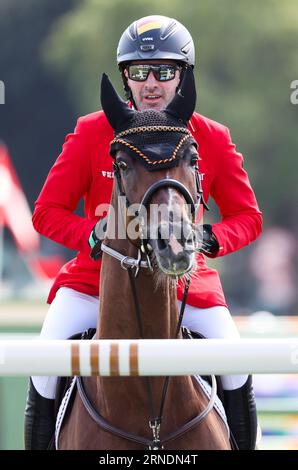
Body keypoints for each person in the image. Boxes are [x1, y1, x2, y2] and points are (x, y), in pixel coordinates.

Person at [24, 15, 262, 450]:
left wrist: (210, 239)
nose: (151, 83)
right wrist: (94, 235)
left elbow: (248, 216)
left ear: (183, 76)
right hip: (92, 285)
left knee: (236, 363)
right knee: (43, 364)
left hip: (187, 285)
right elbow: (45, 212)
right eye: (138, 72)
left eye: (164, 71)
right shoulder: (90, 131)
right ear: (125, 78)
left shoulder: (211, 136)